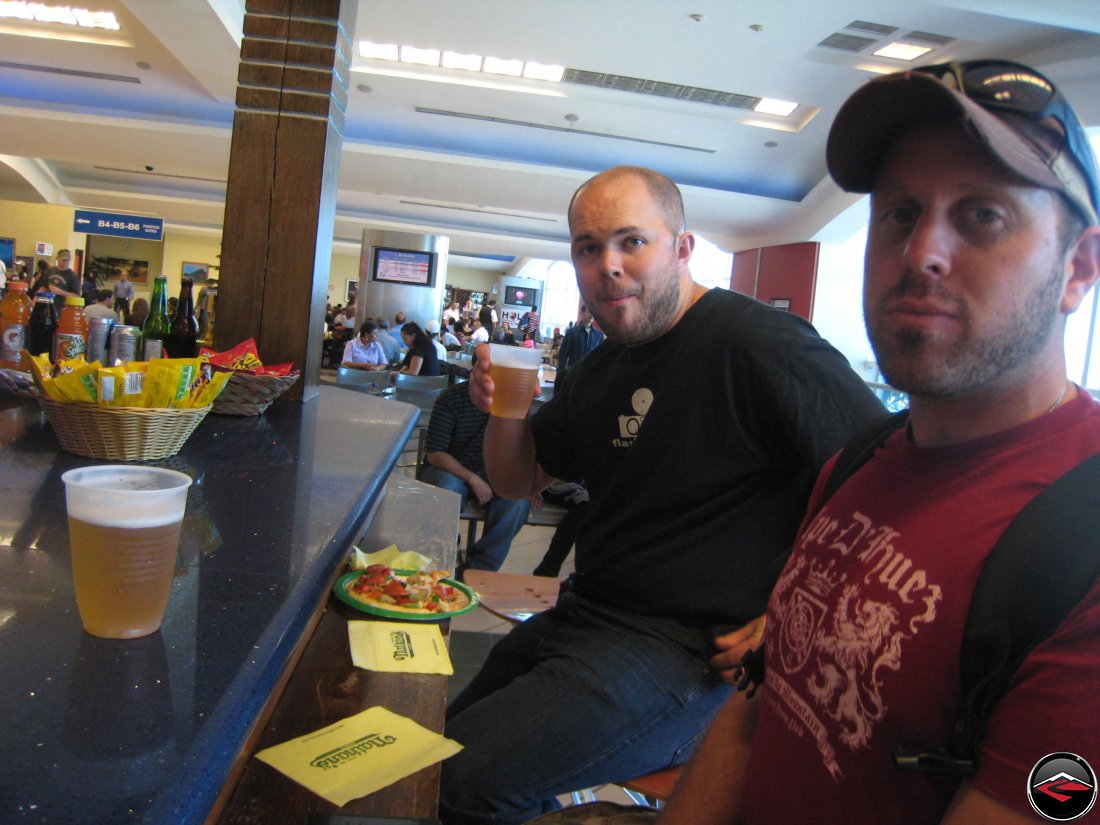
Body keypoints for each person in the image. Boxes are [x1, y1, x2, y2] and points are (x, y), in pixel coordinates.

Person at [657, 60, 1100, 825]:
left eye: (982, 216)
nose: (921, 251)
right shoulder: (859, 461)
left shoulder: (1081, 548)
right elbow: (760, 706)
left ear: (1078, 270)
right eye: (899, 213)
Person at [438, 165, 884, 825]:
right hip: (584, 618)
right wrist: (505, 411)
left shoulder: (760, 345)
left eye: (631, 242)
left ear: (682, 248)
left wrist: (797, 616)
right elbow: (515, 481)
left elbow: (887, 480)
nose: (608, 266)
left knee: (462, 780)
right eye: (588, 248)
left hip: (684, 657)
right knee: (426, 754)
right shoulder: (600, 370)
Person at [421, 380, 532, 576]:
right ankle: (439, 561)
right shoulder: (451, 399)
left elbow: (519, 451)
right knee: (447, 489)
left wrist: (529, 483)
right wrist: (473, 478)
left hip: (493, 473)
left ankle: (478, 571)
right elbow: (435, 454)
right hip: (449, 468)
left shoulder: (513, 402)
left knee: (517, 500)